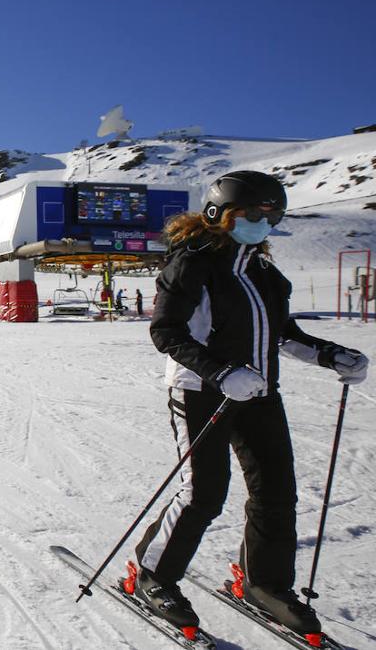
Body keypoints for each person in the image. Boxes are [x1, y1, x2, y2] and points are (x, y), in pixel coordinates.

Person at [131, 170, 368, 638]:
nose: (262, 221)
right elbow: (166, 332)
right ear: (219, 215)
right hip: (200, 391)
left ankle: (266, 584)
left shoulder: (264, 274)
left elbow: (281, 334)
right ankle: (152, 576)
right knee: (204, 492)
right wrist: (221, 372)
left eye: (270, 214)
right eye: (250, 213)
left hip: (258, 394)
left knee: (277, 491)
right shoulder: (192, 263)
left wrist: (330, 354)